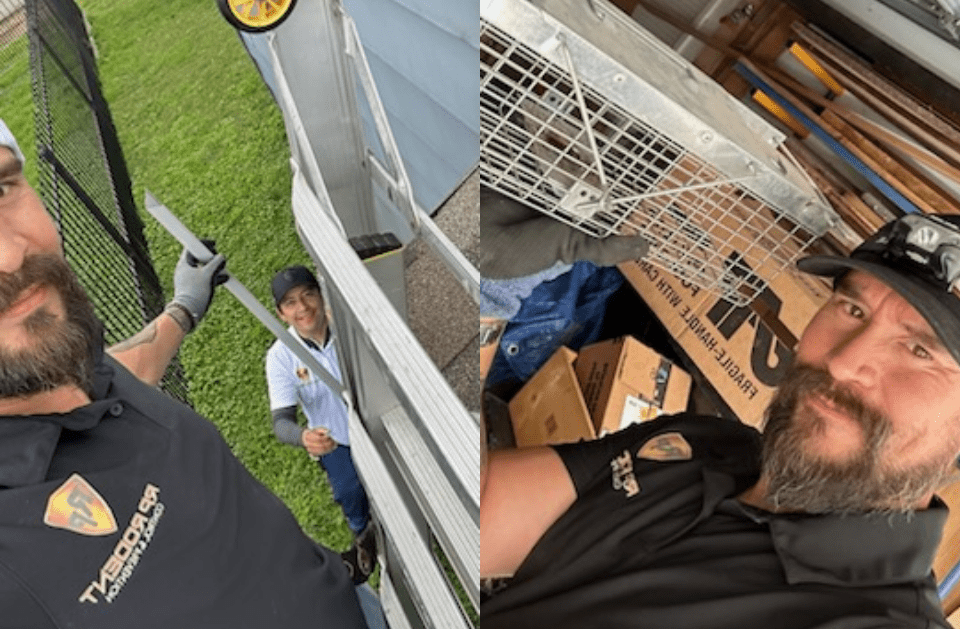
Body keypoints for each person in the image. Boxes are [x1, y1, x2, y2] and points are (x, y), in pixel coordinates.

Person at [481, 211, 960, 628]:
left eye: (920, 350)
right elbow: (474, 508)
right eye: (852, 308)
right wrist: (488, 297)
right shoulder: (702, 446)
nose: (842, 362)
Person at [0, 119, 370, 628]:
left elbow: (126, 368)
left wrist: (185, 307)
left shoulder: (75, 373)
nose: (10, 253)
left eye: (2, 186)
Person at [265, 265, 375, 584]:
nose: (302, 308)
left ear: (320, 294)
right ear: (281, 313)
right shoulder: (281, 358)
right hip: (338, 440)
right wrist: (304, 437)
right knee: (350, 491)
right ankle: (364, 538)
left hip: (377, 422)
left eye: (308, 295)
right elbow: (281, 422)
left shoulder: (348, 322)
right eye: (290, 303)